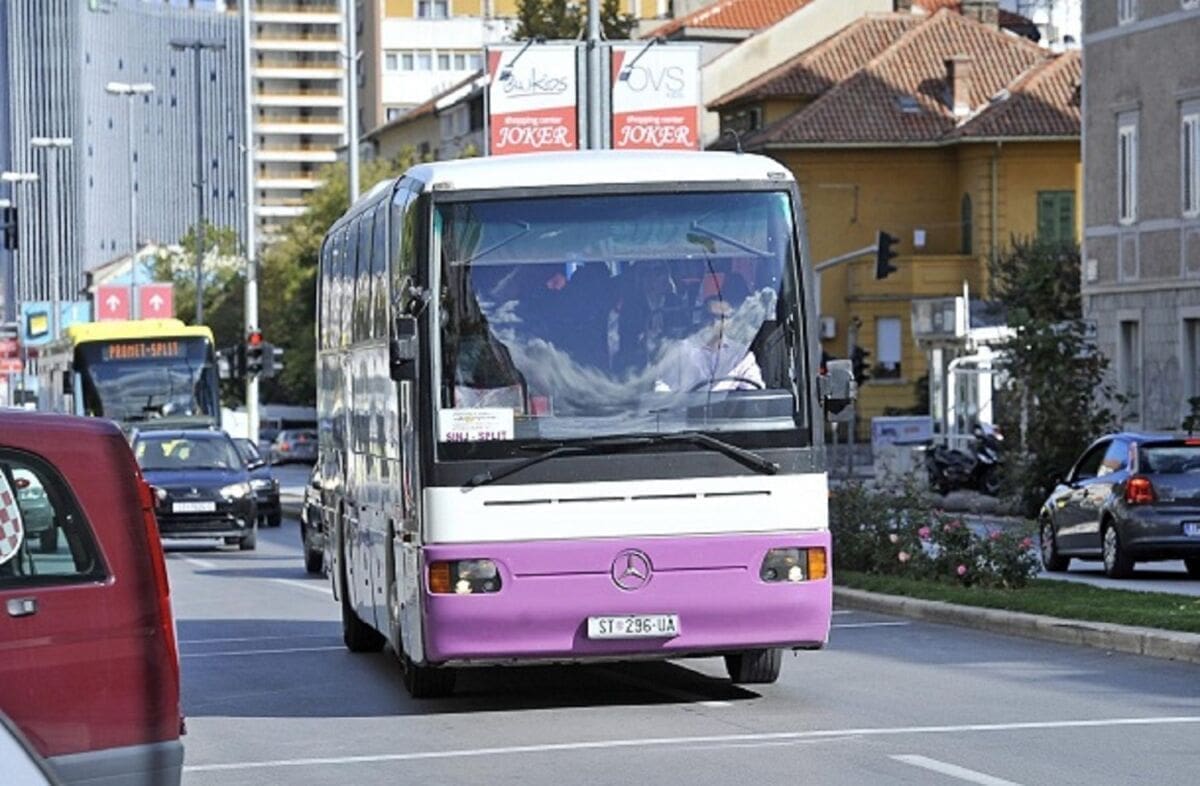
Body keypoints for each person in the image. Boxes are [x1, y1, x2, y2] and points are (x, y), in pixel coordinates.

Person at [656, 282, 764, 393]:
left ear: (729, 322)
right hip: (687, 408)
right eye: (709, 316)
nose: (713, 322)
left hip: (728, 410)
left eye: (720, 317)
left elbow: (755, 393)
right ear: (701, 318)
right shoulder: (680, 350)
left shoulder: (741, 355)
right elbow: (663, 388)